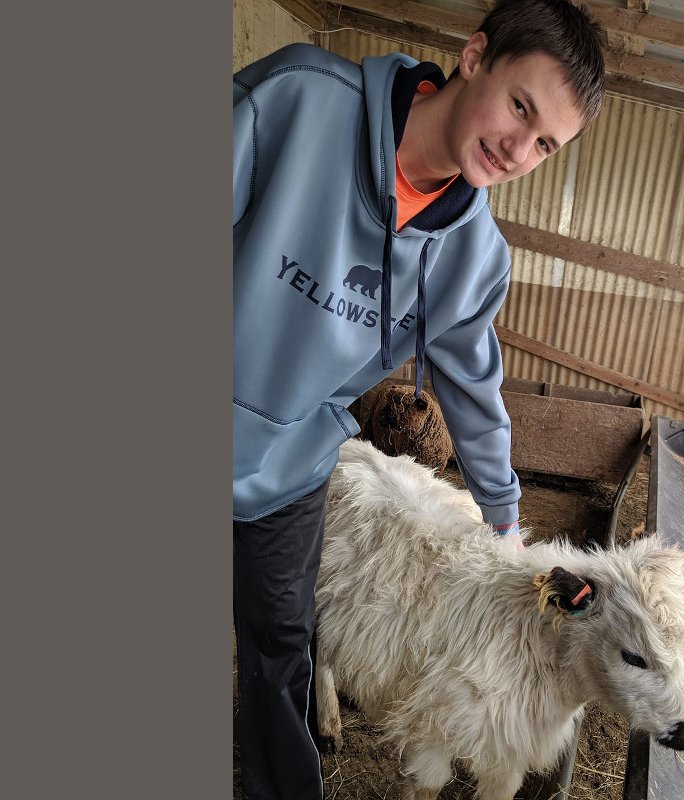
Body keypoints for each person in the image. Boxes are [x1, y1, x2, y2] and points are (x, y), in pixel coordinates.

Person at [231, 1, 606, 798]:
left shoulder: (474, 258)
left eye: (546, 144)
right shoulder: (298, 100)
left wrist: (506, 530)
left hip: (292, 465)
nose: (519, 149)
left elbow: (474, 390)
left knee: (283, 646)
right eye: (520, 107)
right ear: (474, 57)